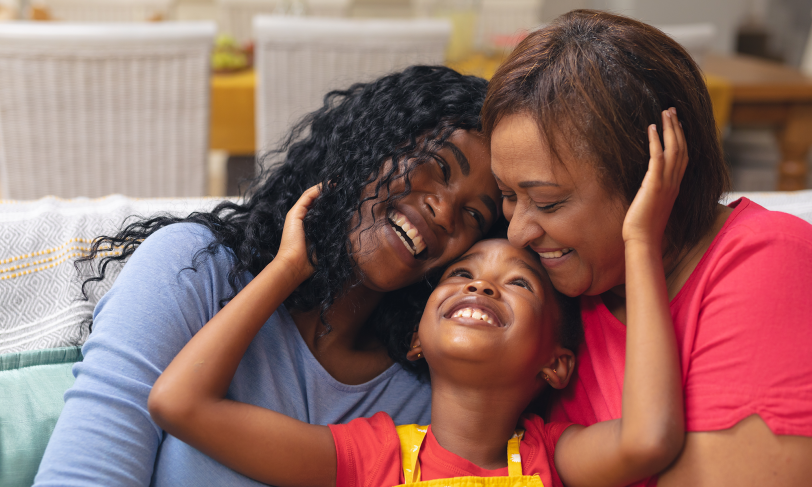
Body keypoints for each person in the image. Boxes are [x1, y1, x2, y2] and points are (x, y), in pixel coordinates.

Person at [147, 108, 687, 487]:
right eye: (460, 275)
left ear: (557, 366)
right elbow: (180, 403)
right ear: (414, 343)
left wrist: (639, 241)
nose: (481, 285)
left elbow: (647, 441)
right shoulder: (366, 456)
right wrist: (289, 268)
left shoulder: (554, 454)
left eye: (518, 283)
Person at [34, 66, 502, 487]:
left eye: (475, 215)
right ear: (370, 146)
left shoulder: (426, 396)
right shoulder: (196, 271)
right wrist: (286, 271)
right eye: (437, 167)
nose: (444, 211)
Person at [483, 9, 812, 487]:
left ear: (650, 180)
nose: (517, 232)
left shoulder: (765, 262)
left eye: (549, 202)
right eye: (508, 197)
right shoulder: (547, 290)